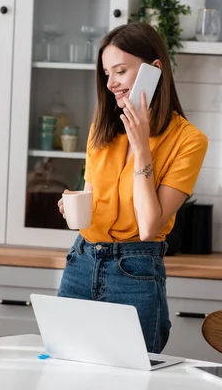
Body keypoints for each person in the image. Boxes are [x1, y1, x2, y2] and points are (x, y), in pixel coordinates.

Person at [56, 22, 208, 354]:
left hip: (135, 270)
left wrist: (141, 147)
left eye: (120, 71)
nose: (111, 83)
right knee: (65, 370)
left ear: (155, 70)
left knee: (132, 379)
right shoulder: (102, 127)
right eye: (107, 73)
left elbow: (149, 226)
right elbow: (93, 197)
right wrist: (73, 204)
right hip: (82, 260)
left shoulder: (189, 141)